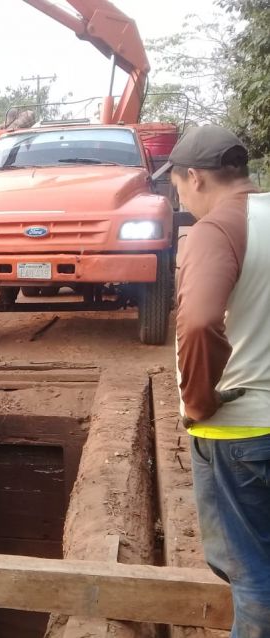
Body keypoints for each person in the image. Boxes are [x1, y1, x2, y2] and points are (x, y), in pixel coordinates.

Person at [164, 125, 270, 635]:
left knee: (252, 577)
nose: (180, 200)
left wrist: (198, 401)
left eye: (178, 187)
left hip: (240, 432)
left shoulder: (216, 229)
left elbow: (201, 322)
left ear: (196, 177)